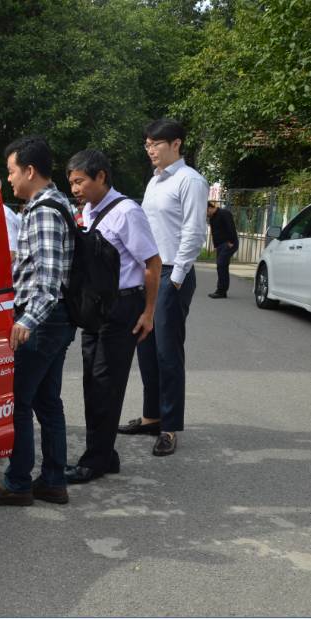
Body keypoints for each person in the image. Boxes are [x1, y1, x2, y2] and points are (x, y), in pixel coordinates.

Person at [0, 136, 77, 506]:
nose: (11, 180)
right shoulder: (52, 204)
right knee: (48, 401)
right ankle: (52, 481)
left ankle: (17, 483)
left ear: (30, 171)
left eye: (12, 172)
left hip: (44, 322)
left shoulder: (45, 210)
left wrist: (26, 320)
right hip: (55, 320)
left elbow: (47, 280)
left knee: (17, 400)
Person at [64, 150, 161, 483]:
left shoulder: (127, 212)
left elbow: (152, 263)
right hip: (97, 308)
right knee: (93, 381)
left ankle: (95, 461)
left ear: (101, 176)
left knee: (106, 384)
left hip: (123, 307)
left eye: (80, 181)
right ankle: (106, 454)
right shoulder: (89, 211)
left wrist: (148, 312)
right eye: (72, 183)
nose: (75, 189)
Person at [118, 118, 208, 457]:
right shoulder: (154, 181)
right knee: (146, 349)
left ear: (176, 144)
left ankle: (169, 427)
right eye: (147, 144)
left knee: (168, 353)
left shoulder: (190, 181)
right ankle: (151, 416)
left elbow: (194, 233)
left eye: (156, 143)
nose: (150, 150)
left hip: (172, 274)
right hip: (150, 273)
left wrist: (175, 278)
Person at [207, 200, 238, 298]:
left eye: (206, 212)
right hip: (220, 245)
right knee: (222, 266)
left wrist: (231, 242)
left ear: (210, 208)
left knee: (221, 265)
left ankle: (221, 291)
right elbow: (215, 232)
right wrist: (216, 246)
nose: (206, 215)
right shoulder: (212, 218)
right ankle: (222, 291)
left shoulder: (224, 213)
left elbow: (231, 227)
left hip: (228, 243)